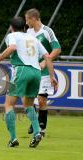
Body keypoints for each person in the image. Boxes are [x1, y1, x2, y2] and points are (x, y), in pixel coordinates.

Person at [0, 17, 58, 148]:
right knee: (28, 104)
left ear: (11, 27)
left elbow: (12, 48)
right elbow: (47, 56)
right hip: (36, 72)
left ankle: (13, 138)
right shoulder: (33, 38)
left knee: (9, 105)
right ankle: (37, 132)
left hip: (21, 70)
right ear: (24, 27)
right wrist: (52, 76)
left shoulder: (12, 36)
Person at [25, 8, 61, 136]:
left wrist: (45, 62)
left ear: (33, 18)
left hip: (45, 70)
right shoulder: (28, 32)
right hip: (32, 70)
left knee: (41, 100)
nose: (26, 23)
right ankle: (35, 122)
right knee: (29, 99)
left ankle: (41, 128)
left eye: (27, 19)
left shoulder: (47, 31)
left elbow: (57, 49)